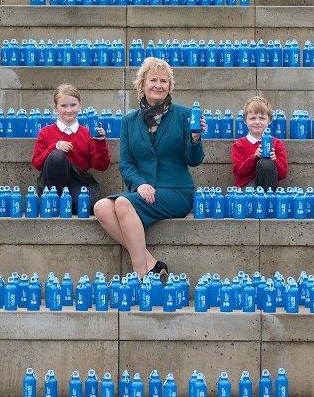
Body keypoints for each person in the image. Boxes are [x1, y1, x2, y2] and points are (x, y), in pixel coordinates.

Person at [93, 57, 205, 277]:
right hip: (144, 190)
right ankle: (152, 263)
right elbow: (126, 164)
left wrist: (195, 138)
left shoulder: (184, 115)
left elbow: (194, 160)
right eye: (153, 79)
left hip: (176, 191)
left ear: (170, 87)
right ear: (142, 84)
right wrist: (140, 183)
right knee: (101, 208)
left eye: (164, 81)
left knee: (124, 203)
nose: (158, 85)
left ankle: (140, 274)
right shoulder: (129, 121)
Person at [31, 83, 110, 214]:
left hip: (79, 180)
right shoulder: (45, 132)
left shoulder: (87, 133)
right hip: (53, 183)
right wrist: (55, 146)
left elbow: (101, 166)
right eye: (63, 106)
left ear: (80, 105)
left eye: (73, 105)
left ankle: (68, 203)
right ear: (56, 108)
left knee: (88, 206)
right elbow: (37, 163)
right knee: (57, 156)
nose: (69, 110)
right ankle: (54, 200)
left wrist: (100, 141)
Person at [230, 95, 288, 190]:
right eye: (252, 118)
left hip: (268, 189)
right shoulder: (239, 144)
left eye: (262, 118)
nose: (257, 122)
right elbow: (238, 171)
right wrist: (254, 158)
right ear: (245, 120)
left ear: (269, 120)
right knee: (264, 162)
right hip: (247, 190)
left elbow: (283, 174)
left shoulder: (277, 144)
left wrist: (274, 161)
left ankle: (265, 200)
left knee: (266, 163)